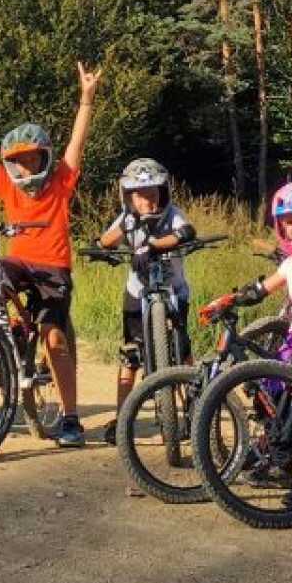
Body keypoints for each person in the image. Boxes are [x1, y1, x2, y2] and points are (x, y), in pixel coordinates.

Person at [0, 63, 102, 447]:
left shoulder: (61, 181)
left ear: (45, 158)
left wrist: (86, 98)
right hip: (20, 262)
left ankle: (71, 419)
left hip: (53, 270)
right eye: (19, 160)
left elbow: (77, 143)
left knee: (55, 340)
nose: (25, 165)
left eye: (32, 158)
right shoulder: (6, 185)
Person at [198, 180, 292, 505]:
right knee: (268, 385)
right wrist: (229, 299)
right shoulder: (291, 261)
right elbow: (263, 288)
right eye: (288, 223)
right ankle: (278, 455)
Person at [94, 157, 195, 444]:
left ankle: (193, 404)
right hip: (137, 293)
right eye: (140, 195)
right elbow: (105, 240)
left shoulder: (172, 214)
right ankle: (122, 416)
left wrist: (152, 245)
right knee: (131, 354)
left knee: (182, 347)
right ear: (127, 196)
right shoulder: (127, 216)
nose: (148, 200)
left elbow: (186, 232)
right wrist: (118, 234)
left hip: (173, 292)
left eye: (154, 193)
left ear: (164, 192)